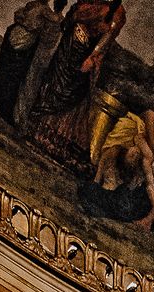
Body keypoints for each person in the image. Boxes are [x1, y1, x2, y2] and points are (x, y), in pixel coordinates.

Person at [28, 0, 125, 167]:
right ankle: (36, 130)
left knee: (73, 92)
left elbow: (108, 37)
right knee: (53, 83)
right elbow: (76, 12)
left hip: (83, 54)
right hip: (68, 47)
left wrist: (92, 57)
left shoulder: (118, 11)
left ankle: (57, 143)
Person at [0, 0, 65, 130]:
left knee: (10, 71)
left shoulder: (37, 6)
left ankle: (2, 106)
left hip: (20, 38)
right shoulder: (45, 10)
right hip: (22, 40)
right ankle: (2, 107)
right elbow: (46, 22)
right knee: (11, 72)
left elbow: (21, 15)